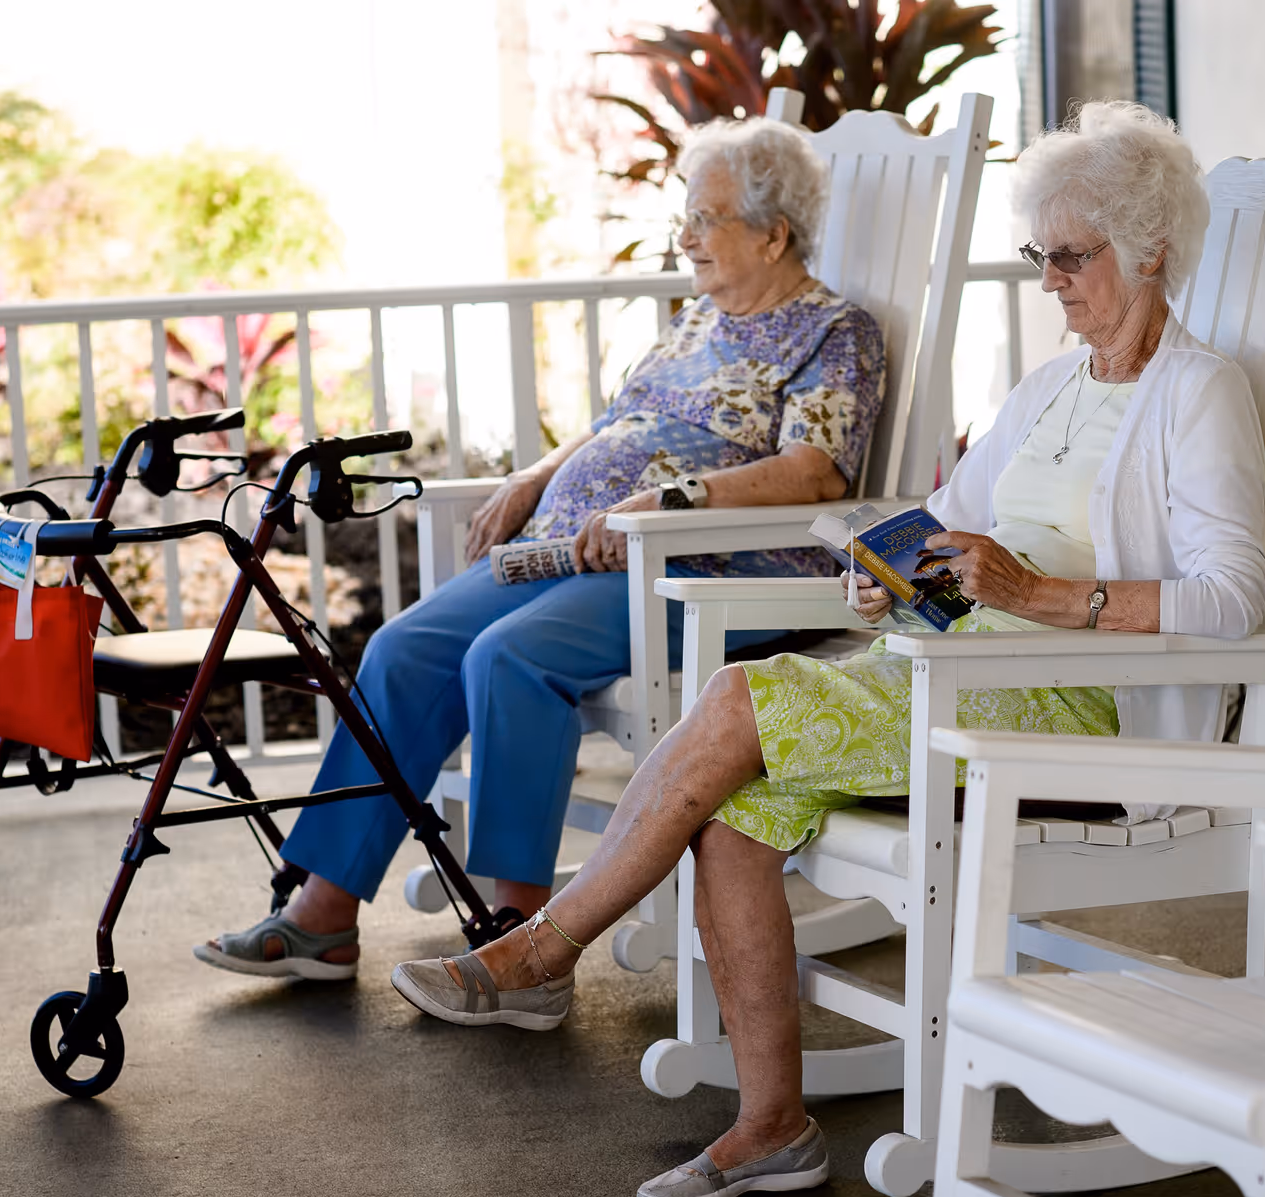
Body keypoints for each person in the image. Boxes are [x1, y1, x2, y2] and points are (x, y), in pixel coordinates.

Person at [386, 100, 1265, 1197]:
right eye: (1038, 254)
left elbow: (1234, 601)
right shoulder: (1050, 390)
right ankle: (772, 1128)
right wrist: (887, 571)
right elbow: (947, 513)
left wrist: (1033, 592)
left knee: (734, 700)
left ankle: (544, 949)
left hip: (1065, 709)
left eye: (1072, 255)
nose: (1050, 278)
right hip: (952, 673)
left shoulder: (1198, 393)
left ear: (1151, 251)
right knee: (731, 809)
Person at [195, 114, 886, 981]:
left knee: (509, 658)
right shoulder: (692, 325)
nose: (686, 237)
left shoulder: (833, 331)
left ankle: (517, 933)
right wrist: (535, 475)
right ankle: (324, 912)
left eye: (706, 219)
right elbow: (613, 429)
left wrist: (669, 500)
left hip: (702, 567)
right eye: (689, 215)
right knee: (406, 649)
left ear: (773, 232)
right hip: (571, 552)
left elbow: (817, 472)